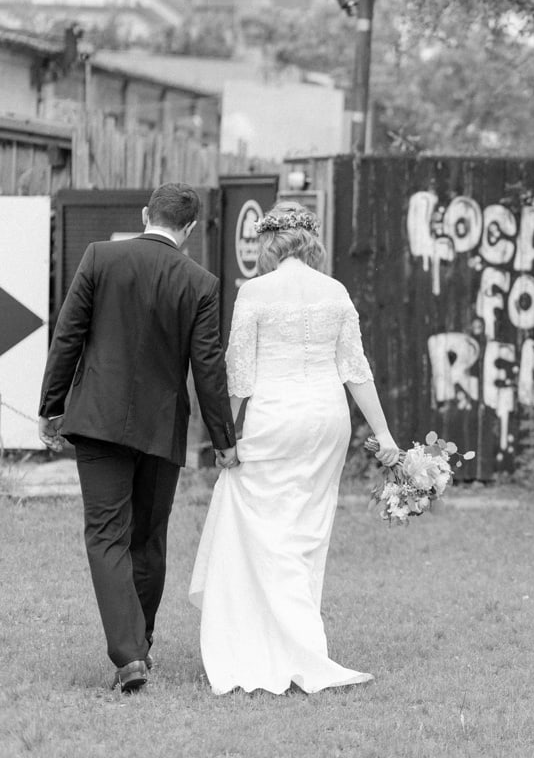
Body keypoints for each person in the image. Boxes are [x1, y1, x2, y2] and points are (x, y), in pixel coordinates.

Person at [189, 201, 401, 695]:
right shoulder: (336, 291)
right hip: (327, 421)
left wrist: (224, 436)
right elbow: (356, 370)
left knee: (264, 525)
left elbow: (238, 375)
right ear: (312, 242)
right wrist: (385, 435)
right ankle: (295, 637)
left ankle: (282, 644)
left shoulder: (254, 293)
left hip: (274, 418)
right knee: (306, 529)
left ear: (268, 244)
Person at [38, 182, 238, 694]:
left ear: (145, 213)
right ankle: (139, 647)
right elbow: (207, 366)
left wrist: (51, 406)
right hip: (159, 427)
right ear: (189, 230)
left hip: (98, 422)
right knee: (147, 539)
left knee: (106, 535)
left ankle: (129, 656)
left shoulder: (99, 257)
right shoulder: (200, 282)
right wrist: (224, 439)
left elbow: (68, 335)